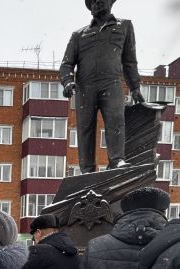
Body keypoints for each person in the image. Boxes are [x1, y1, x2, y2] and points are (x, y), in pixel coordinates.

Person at [60, 0, 144, 173]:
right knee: (85, 129)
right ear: (90, 8)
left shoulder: (124, 26)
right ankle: (87, 170)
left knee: (116, 121)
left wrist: (135, 86)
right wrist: (68, 81)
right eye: (92, 1)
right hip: (85, 88)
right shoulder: (79, 35)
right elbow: (66, 64)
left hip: (111, 83)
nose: (97, 2)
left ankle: (117, 161)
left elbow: (129, 61)